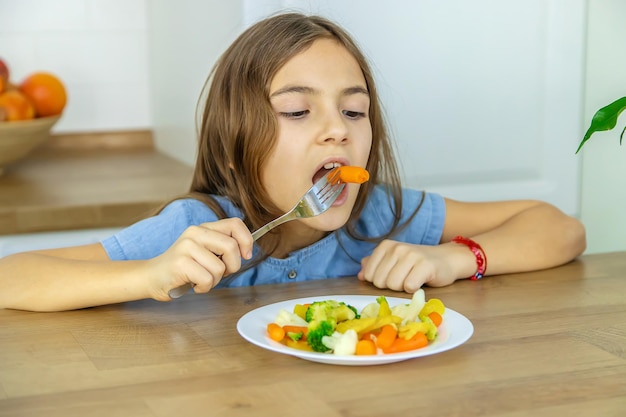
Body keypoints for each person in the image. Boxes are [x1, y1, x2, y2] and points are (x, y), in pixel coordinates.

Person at [0, 13, 586, 312]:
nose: (337, 129)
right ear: (238, 136)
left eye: (354, 113)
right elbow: (12, 276)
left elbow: (559, 227)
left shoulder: (379, 213)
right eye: (299, 111)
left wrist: (454, 258)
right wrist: (150, 274)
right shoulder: (198, 230)